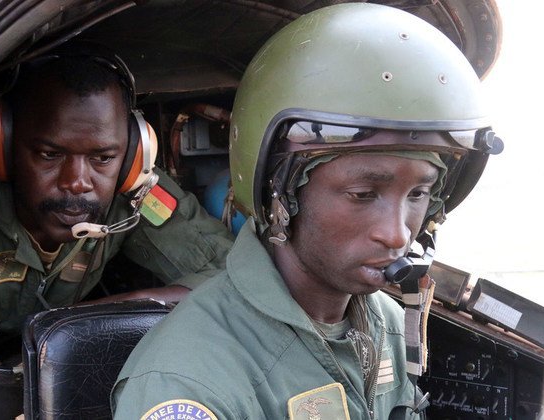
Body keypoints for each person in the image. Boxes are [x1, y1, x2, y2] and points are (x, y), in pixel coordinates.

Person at [111, 3, 504, 419]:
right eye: (362, 194)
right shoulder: (187, 382)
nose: (398, 235)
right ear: (279, 193)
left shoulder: (387, 320)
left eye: (419, 193)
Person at [0, 44, 234, 373]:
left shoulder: (133, 186)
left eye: (103, 158)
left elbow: (236, 277)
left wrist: (112, 313)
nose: (77, 182)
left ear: (132, 156)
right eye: (50, 154)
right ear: (2, 147)